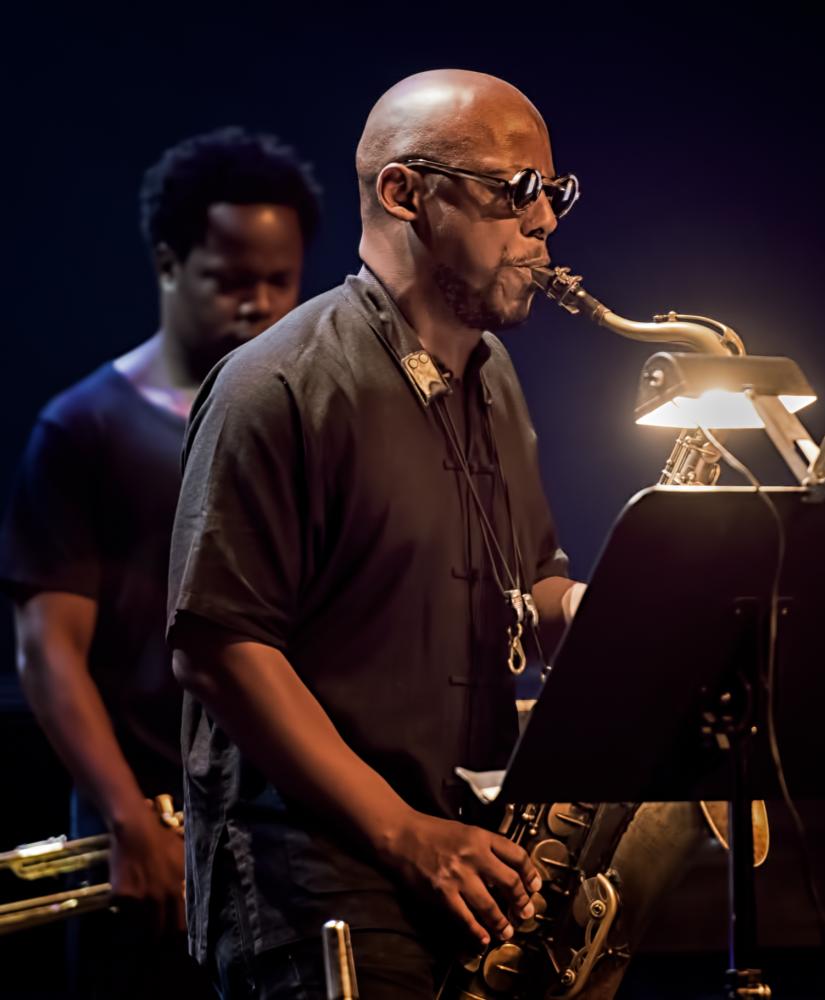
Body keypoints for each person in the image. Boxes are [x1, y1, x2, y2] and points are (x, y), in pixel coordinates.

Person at [166, 70, 587, 998]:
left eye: (551, 194)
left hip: (465, 863)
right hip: (320, 888)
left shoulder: (494, 373)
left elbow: (532, 577)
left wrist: (617, 615)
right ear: (404, 192)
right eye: (515, 192)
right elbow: (219, 648)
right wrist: (404, 833)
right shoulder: (271, 386)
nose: (545, 223)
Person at [0, 126, 320, 996]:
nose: (257, 304)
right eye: (229, 281)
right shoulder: (85, 428)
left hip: (281, 825)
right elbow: (49, 648)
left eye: (279, 281)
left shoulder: (307, 420)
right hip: (142, 819)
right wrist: (127, 816)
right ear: (169, 263)